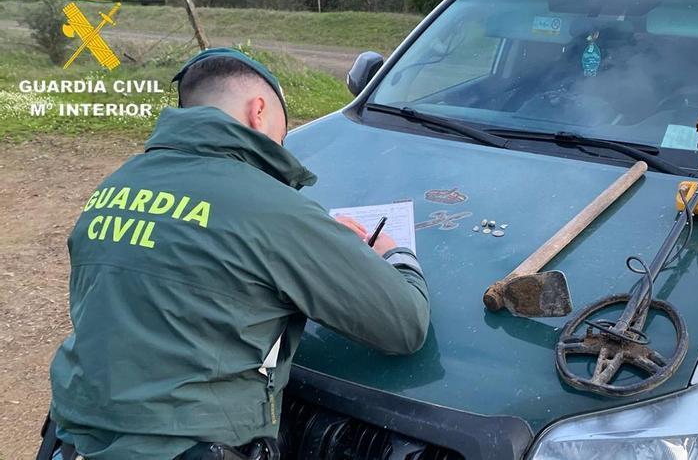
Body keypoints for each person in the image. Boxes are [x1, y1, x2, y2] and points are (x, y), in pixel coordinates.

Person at [41, 48, 431, 460]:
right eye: (284, 130)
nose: (284, 142)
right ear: (258, 111)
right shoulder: (273, 207)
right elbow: (404, 326)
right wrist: (396, 254)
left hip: (71, 438)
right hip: (186, 446)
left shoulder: (114, 187)